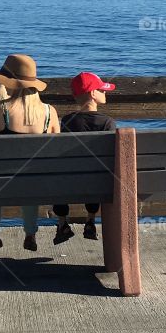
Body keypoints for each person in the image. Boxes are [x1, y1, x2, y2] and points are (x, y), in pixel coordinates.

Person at [0, 54, 60, 255]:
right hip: (35, 181)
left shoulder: (2, 109)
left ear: (12, 82)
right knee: (29, 180)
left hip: (2, 180)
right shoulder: (50, 111)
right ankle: (30, 234)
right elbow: (57, 147)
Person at [53, 72, 117, 244]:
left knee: (61, 175)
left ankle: (62, 222)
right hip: (98, 183)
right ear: (92, 94)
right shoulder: (108, 122)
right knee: (96, 170)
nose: (105, 93)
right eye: (102, 90)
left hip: (69, 181)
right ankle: (90, 220)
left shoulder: (67, 121)